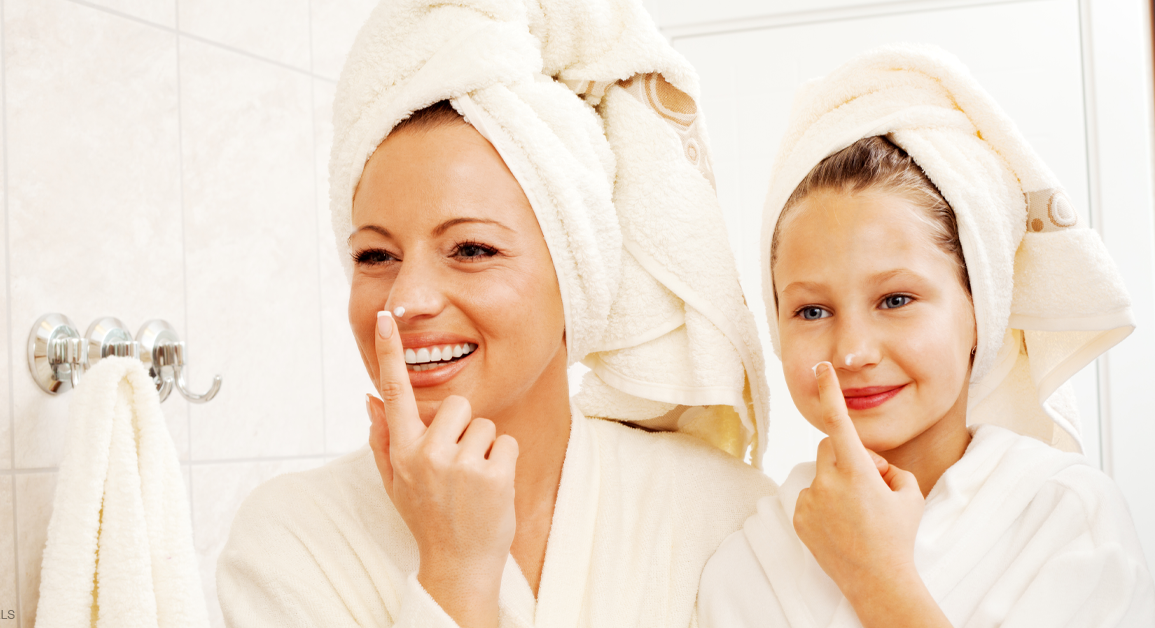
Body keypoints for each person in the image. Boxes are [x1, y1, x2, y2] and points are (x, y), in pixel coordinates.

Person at [217, 0, 777, 626]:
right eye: (375, 255)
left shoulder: (728, 516)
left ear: (577, 277)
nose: (406, 301)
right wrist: (456, 573)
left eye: (471, 249)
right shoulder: (293, 540)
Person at [698, 44, 1155, 627]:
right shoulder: (747, 561)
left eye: (896, 300)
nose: (853, 352)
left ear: (978, 309)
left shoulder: (1065, 518)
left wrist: (876, 578)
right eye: (812, 311)